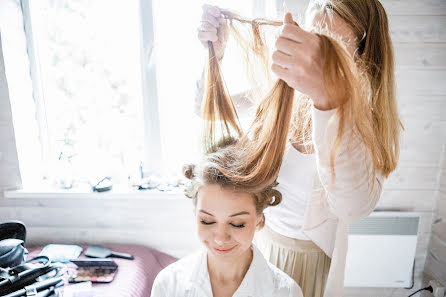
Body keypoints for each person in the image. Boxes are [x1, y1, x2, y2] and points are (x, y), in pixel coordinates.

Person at [196, 1, 402, 297]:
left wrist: (328, 100)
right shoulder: (282, 93)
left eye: (329, 49)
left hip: (311, 263)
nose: (313, 60)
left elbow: (353, 206)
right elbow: (205, 107)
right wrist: (214, 56)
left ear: (362, 54)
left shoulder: (364, 123)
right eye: (311, 40)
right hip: (259, 247)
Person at [151, 36, 303, 295]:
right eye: (207, 221)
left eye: (237, 224)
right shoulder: (168, 285)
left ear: (259, 220)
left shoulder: (285, 292)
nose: (220, 237)